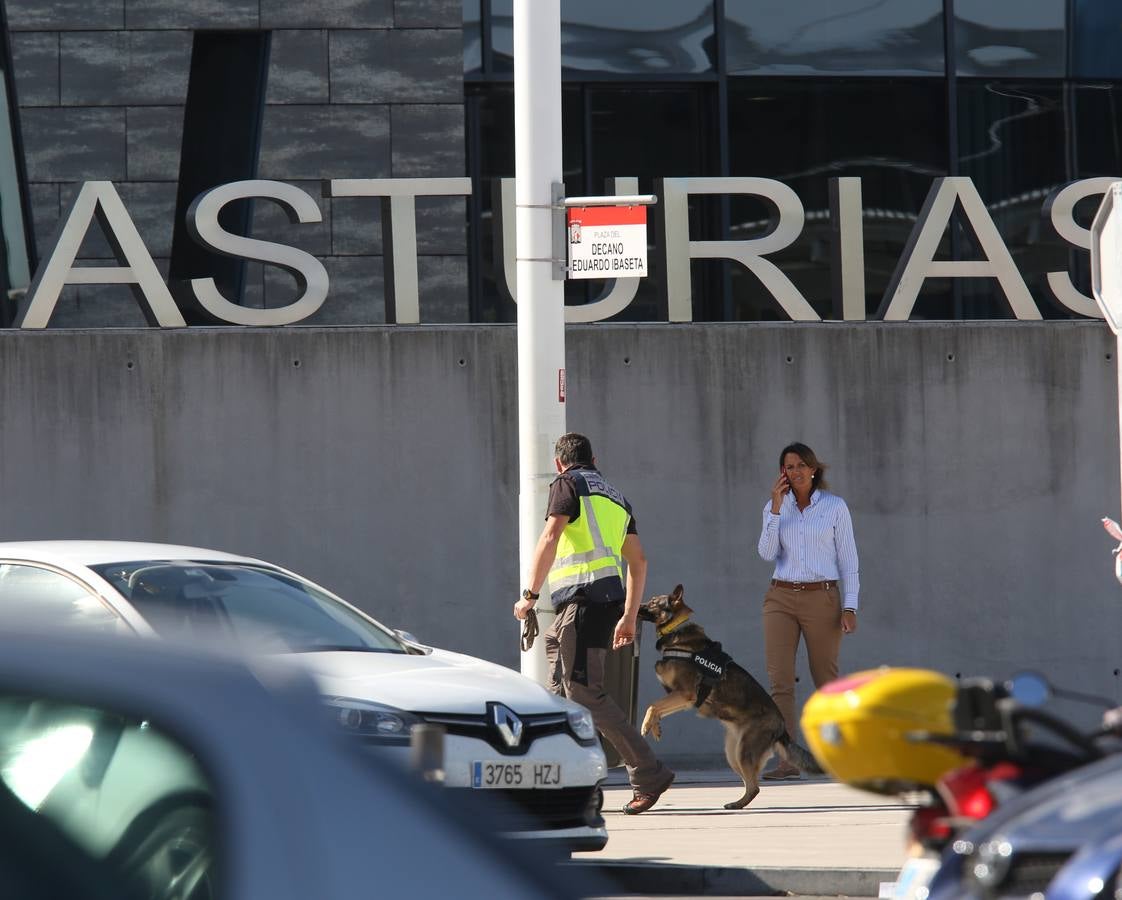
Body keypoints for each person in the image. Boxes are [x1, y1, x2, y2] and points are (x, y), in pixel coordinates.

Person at [513, 433, 675, 814]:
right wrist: (629, 616)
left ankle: (648, 773)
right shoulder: (617, 497)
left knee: (584, 692)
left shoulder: (567, 484)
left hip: (582, 603)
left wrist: (529, 596)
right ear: (594, 459)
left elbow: (551, 536)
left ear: (558, 462)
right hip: (600, 604)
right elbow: (639, 562)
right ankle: (562, 782)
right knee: (558, 693)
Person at [757, 442, 859, 780]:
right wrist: (774, 509)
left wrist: (850, 606)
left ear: (814, 469)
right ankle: (788, 760)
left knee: (826, 681)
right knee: (780, 681)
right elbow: (765, 552)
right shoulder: (776, 507)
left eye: (801, 465)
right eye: (788, 466)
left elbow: (849, 561)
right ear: (781, 472)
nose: (795, 471)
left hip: (822, 598)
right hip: (780, 598)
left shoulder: (834, 507)